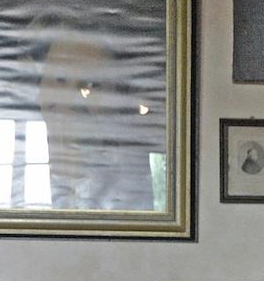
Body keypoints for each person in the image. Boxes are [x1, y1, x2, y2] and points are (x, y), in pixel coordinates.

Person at [30, 11, 164, 212]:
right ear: (40, 94)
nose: (72, 99)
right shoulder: (18, 182)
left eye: (92, 85)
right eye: (59, 79)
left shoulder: (133, 186)